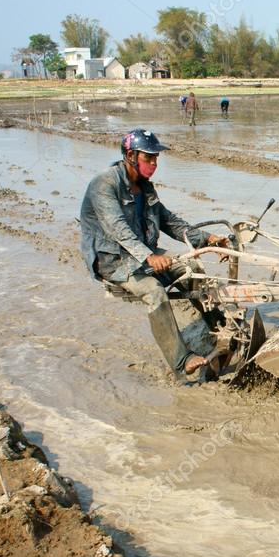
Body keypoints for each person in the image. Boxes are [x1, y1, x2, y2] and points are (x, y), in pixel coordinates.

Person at [79, 129, 229, 380]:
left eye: (156, 158)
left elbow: (169, 221)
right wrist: (149, 257)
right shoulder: (104, 184)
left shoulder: (144, 188)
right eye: (149, 158)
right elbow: (118, 229)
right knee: (154, 290)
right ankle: (181, 361)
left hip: (143, 250)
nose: (154, 164)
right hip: (113, 259)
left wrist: (208, 239)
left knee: (193, 271)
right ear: (130, 155)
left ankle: (220, 329)